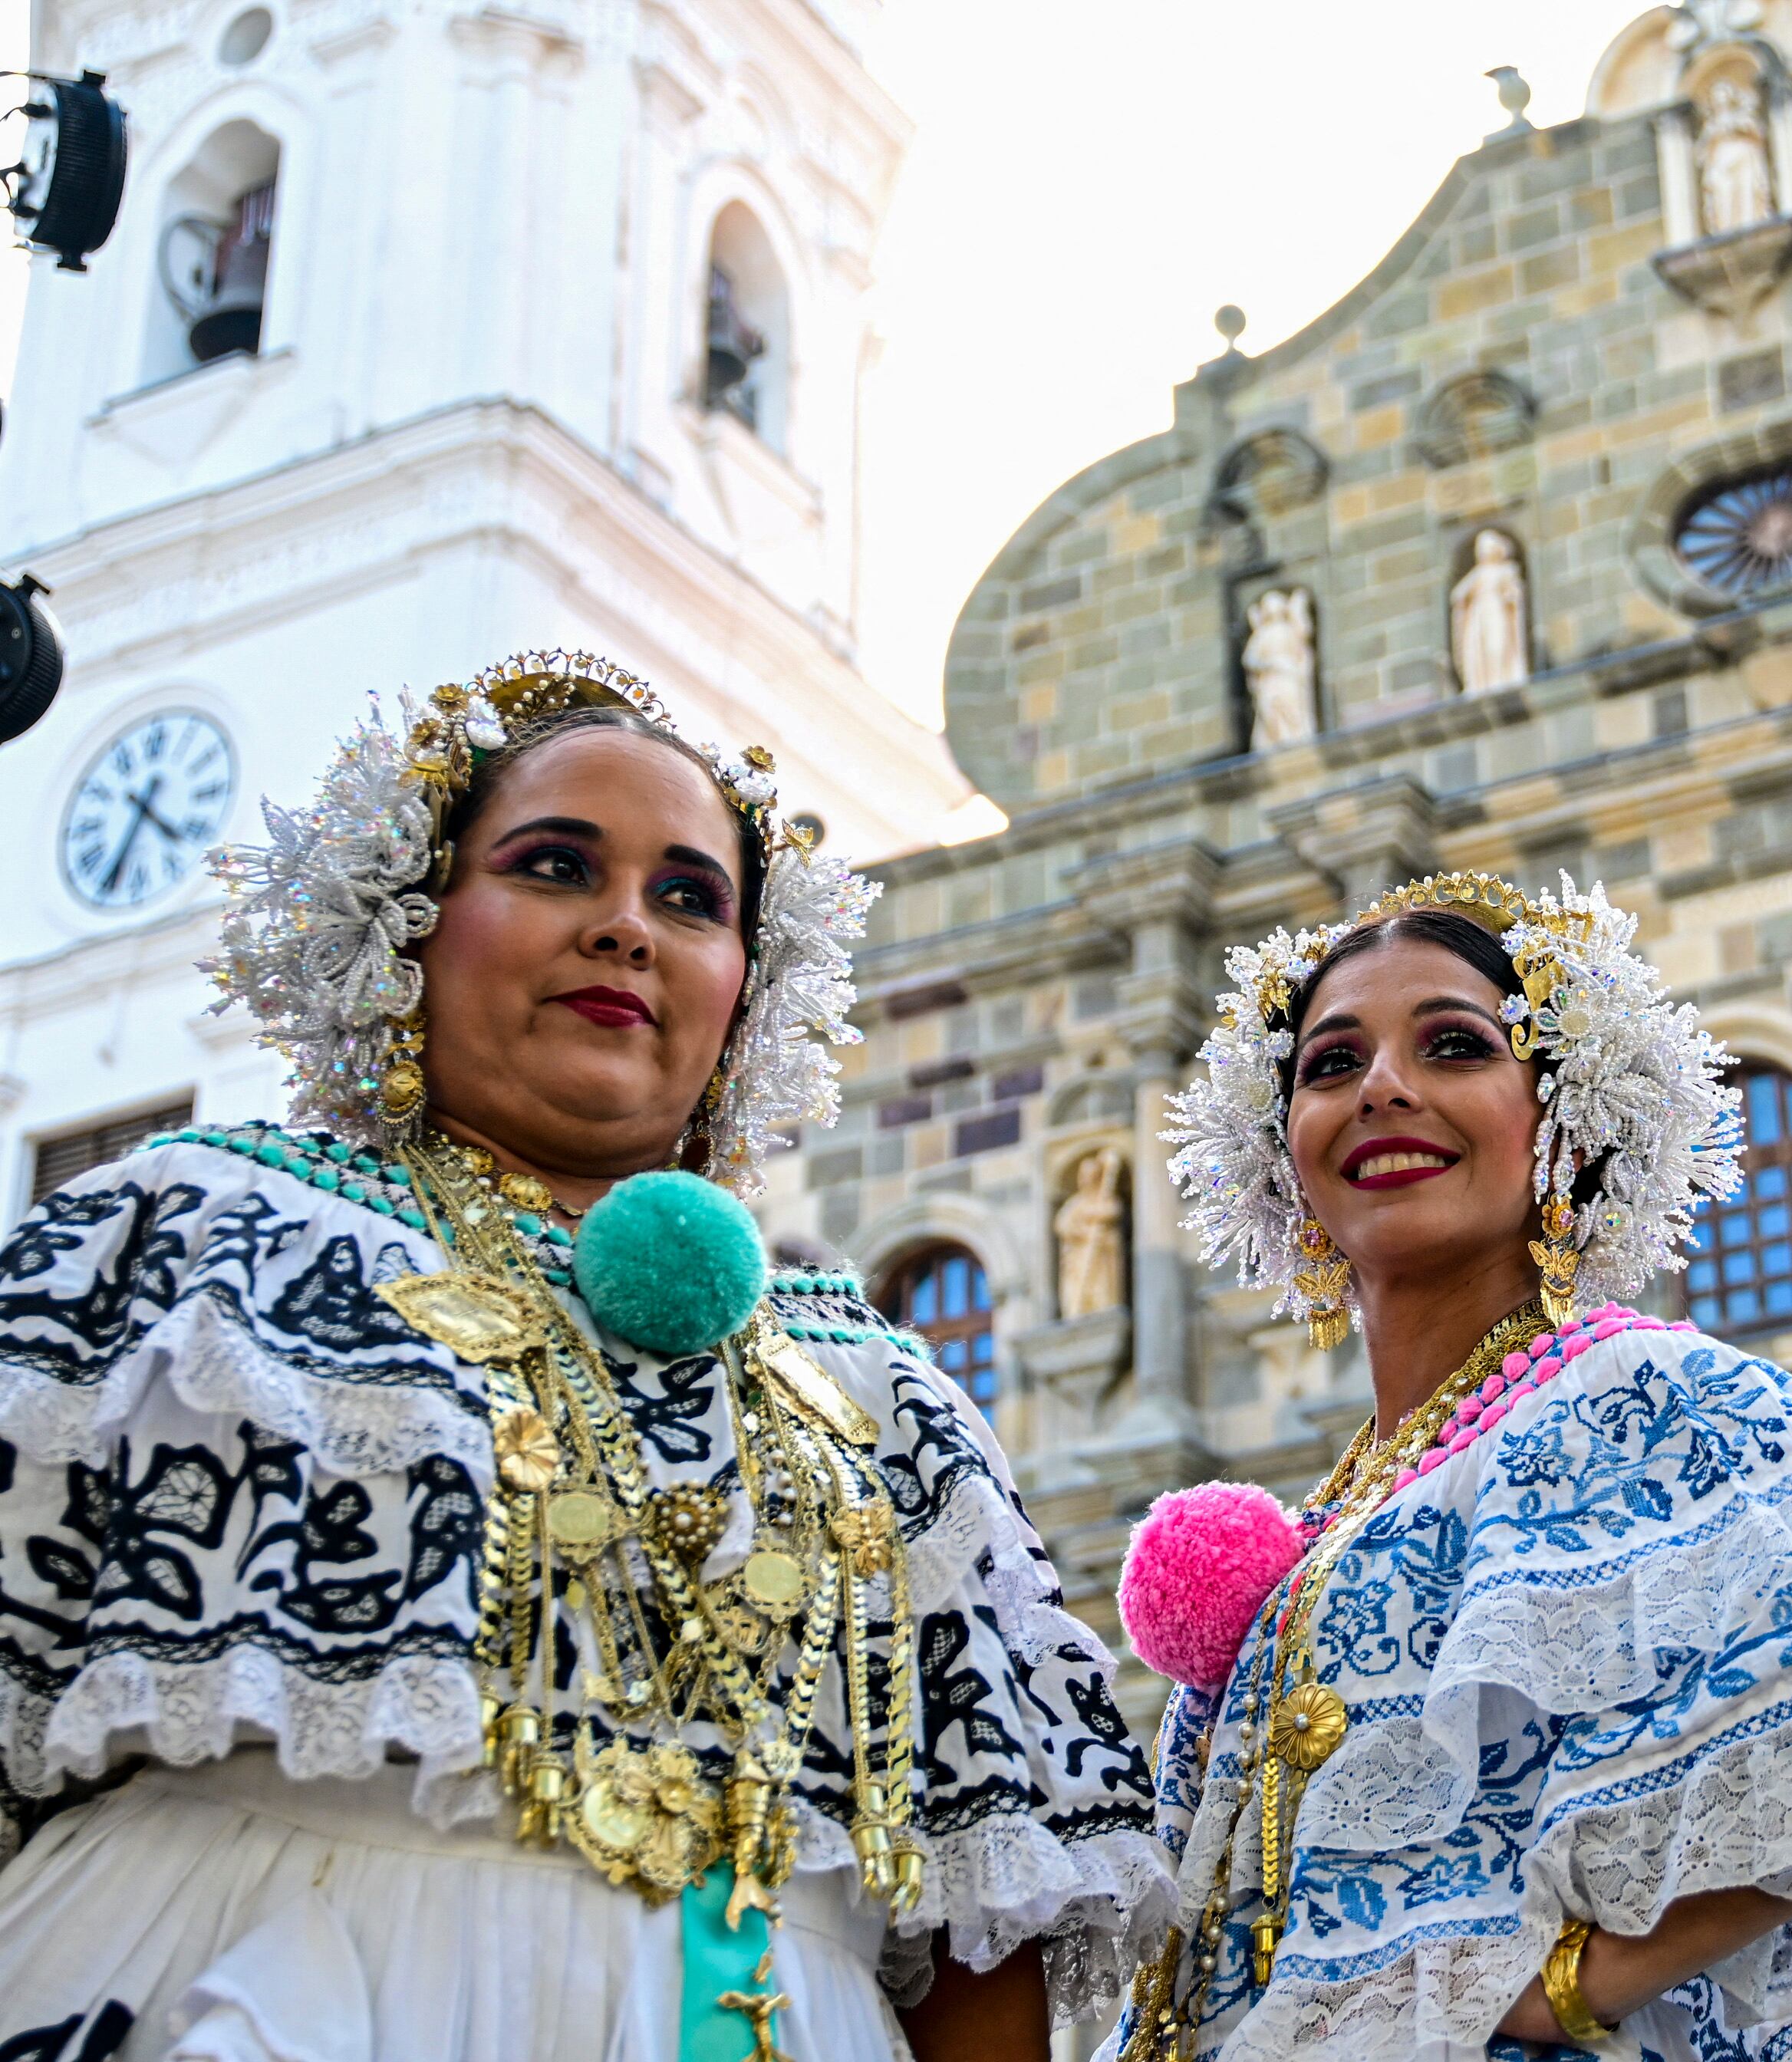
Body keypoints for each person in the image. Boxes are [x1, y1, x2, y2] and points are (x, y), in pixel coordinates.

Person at [0, 651, 1172, 2059]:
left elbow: (992, 1925)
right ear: (409, 914)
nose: (628, 927)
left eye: (691, 897)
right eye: (556, 865)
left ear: (747, 987)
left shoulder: (876, 1386)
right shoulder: (193, 1237)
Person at [1112, 872, 1792, 2060]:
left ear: (1564, 1124)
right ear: (1282, 1150)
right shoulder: (1343, 1503)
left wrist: (1569, 1986)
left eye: (1454, 1046)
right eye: (1329, 1064)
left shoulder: (1630, 1397)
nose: (1384, 1088)